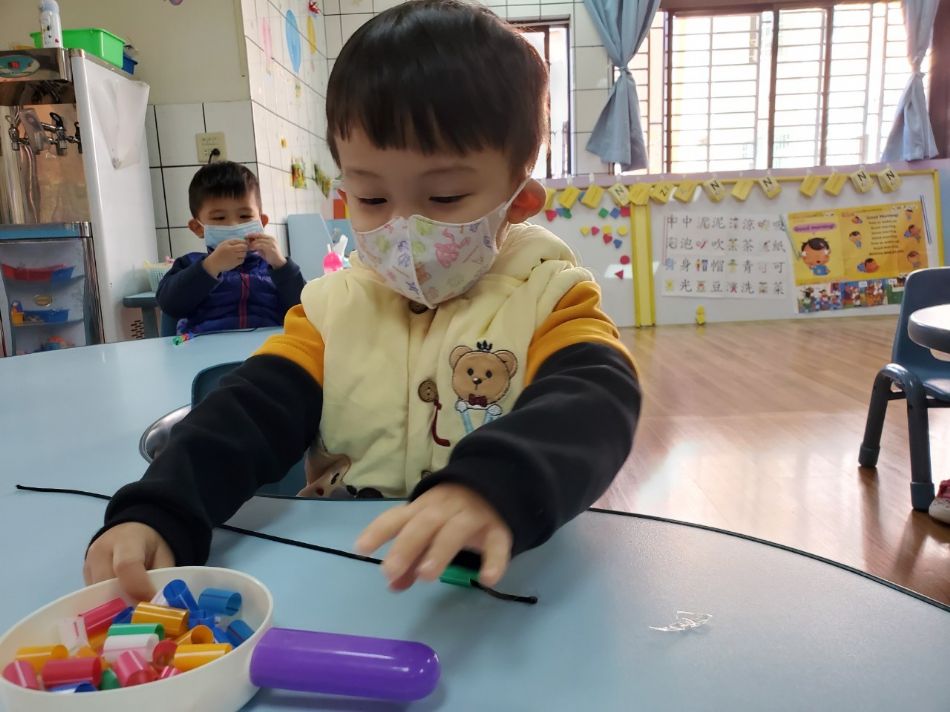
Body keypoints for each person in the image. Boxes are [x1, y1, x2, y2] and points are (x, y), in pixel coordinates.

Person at [84, 0, 641, 599]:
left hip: (495, 582)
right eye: (372, 199)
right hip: (349, 570)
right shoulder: (331, 311)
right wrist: (161, 508)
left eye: (445, 197)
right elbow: (246, 412)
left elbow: (596, 399)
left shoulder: (549, 296)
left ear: (519, 201)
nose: (404, 227)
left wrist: (495, 486)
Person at [156, 161, 306, 335]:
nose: (233, 224)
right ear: (198, 228)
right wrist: (210, 267)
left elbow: (306, 308)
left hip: (267, 348)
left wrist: (281, 266)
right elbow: (169, 305)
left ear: (262, 222)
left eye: (245, 215)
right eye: (219, 218)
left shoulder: (274, 268)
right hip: (206, 349)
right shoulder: (190, 264)